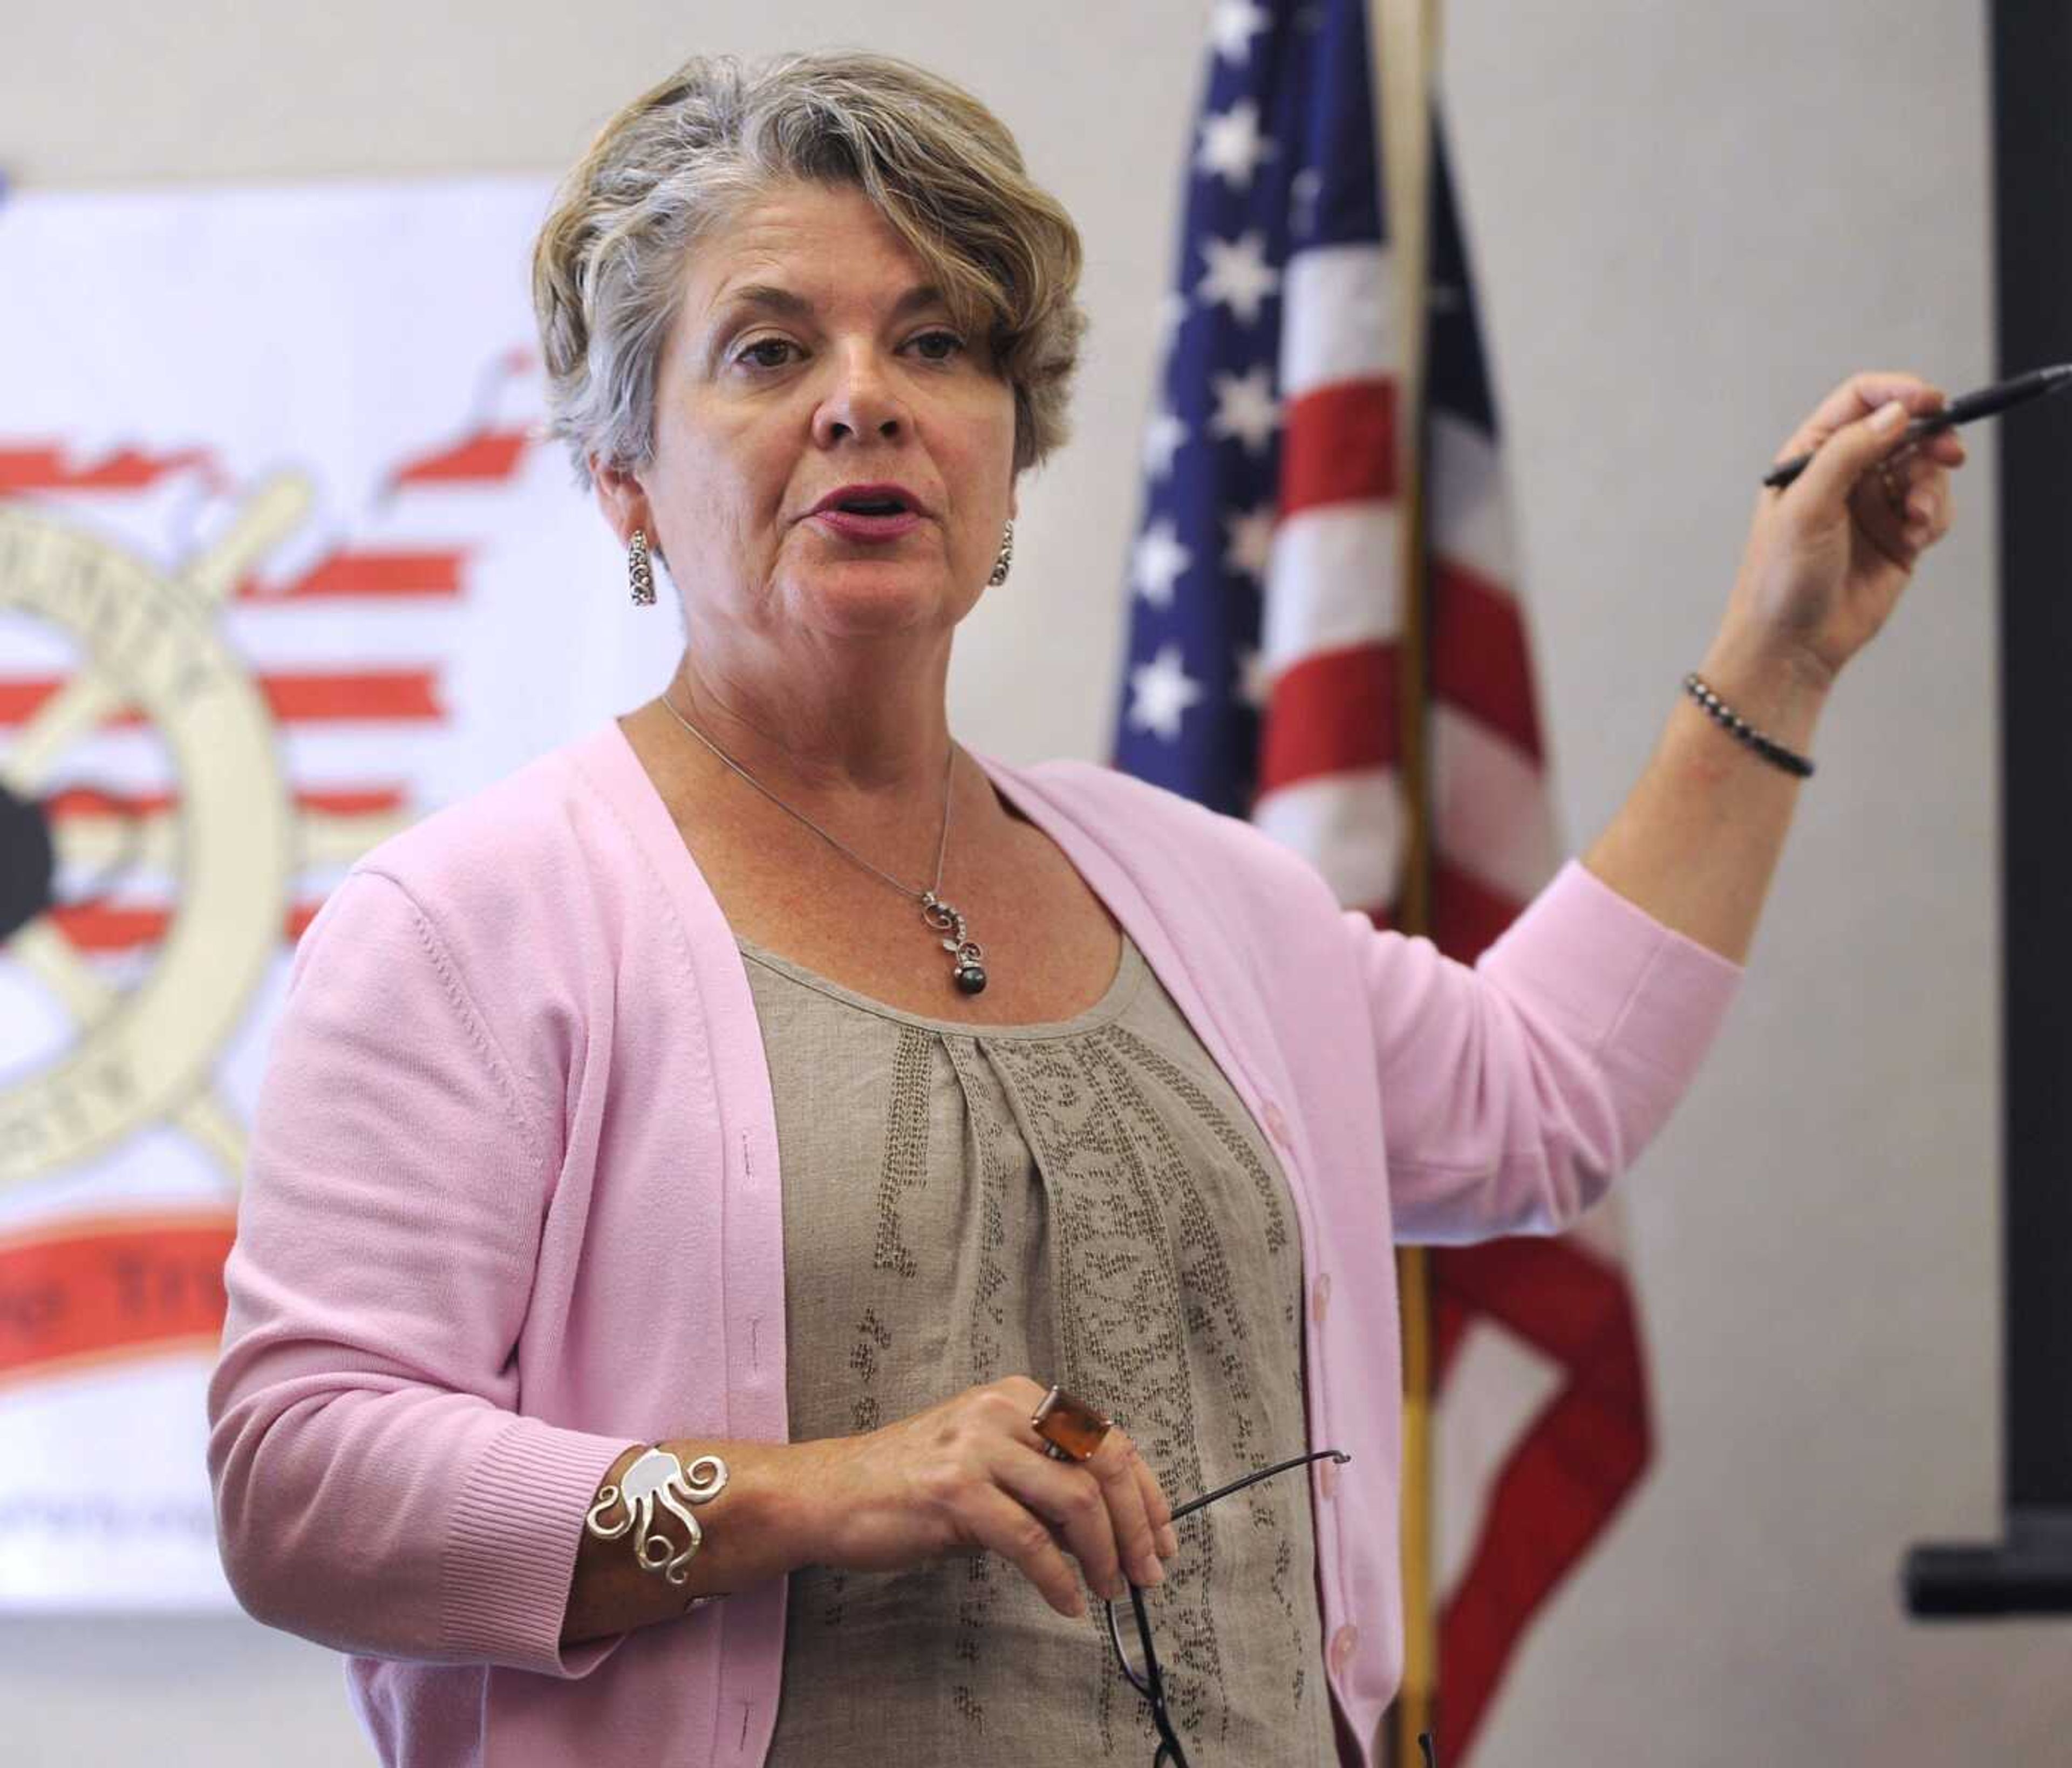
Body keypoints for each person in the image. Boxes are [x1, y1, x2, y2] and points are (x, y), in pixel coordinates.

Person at [205, 49, 1964, 1768]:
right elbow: (301, 1484)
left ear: (1011, 445)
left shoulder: (1203, 891)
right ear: (624, 477)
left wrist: (1782, 647)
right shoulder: (468, 922)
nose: (864, 397)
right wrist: (822, 1487)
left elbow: (1542, 1100)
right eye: (767, 349)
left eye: (939, 343)